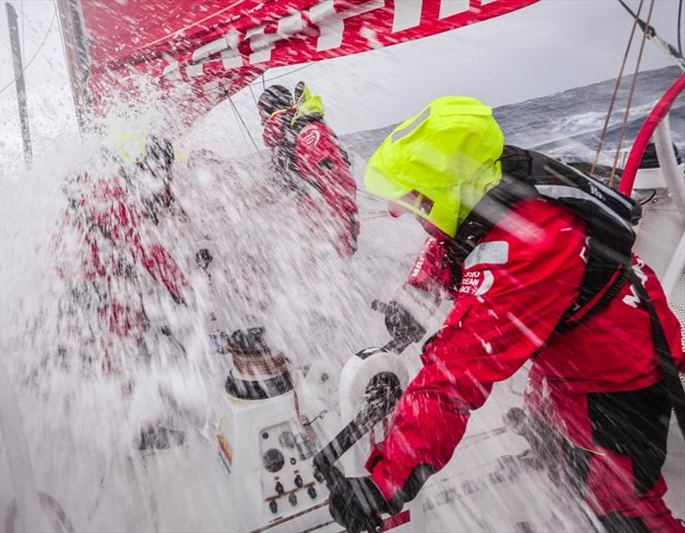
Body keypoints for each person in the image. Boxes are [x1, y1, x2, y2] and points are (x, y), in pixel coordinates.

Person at [327, 96, 685, 533]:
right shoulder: (492, 180)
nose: (398, 210)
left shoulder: (527, 248)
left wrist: (383, 484)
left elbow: (453, 379)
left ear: (441, 189)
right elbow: (449, 242)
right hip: (569, 356)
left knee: (623, 505)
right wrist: (413, 300)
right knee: (556, 438)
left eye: (413, 197)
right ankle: (558, 451)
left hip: (614, 381)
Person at [56, 130, 190, 375]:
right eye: (156, 170)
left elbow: (165, 199)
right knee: (121, 337)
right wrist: (185, 291)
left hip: (84, 269)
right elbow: (147, 250)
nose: (161, 177)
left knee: (114, 332)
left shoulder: (121, 181)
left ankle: (113, 378)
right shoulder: (112, 193)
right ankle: (124, 391)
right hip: (91, 275)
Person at [257, 82, 360, 257]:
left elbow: (334, 184)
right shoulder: (295, 136)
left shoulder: (304, 134)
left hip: (328, 229)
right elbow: (284, 184)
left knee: (327, 276)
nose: (261, 123)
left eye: (262, 115)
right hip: (322, 225)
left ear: (272, 109)